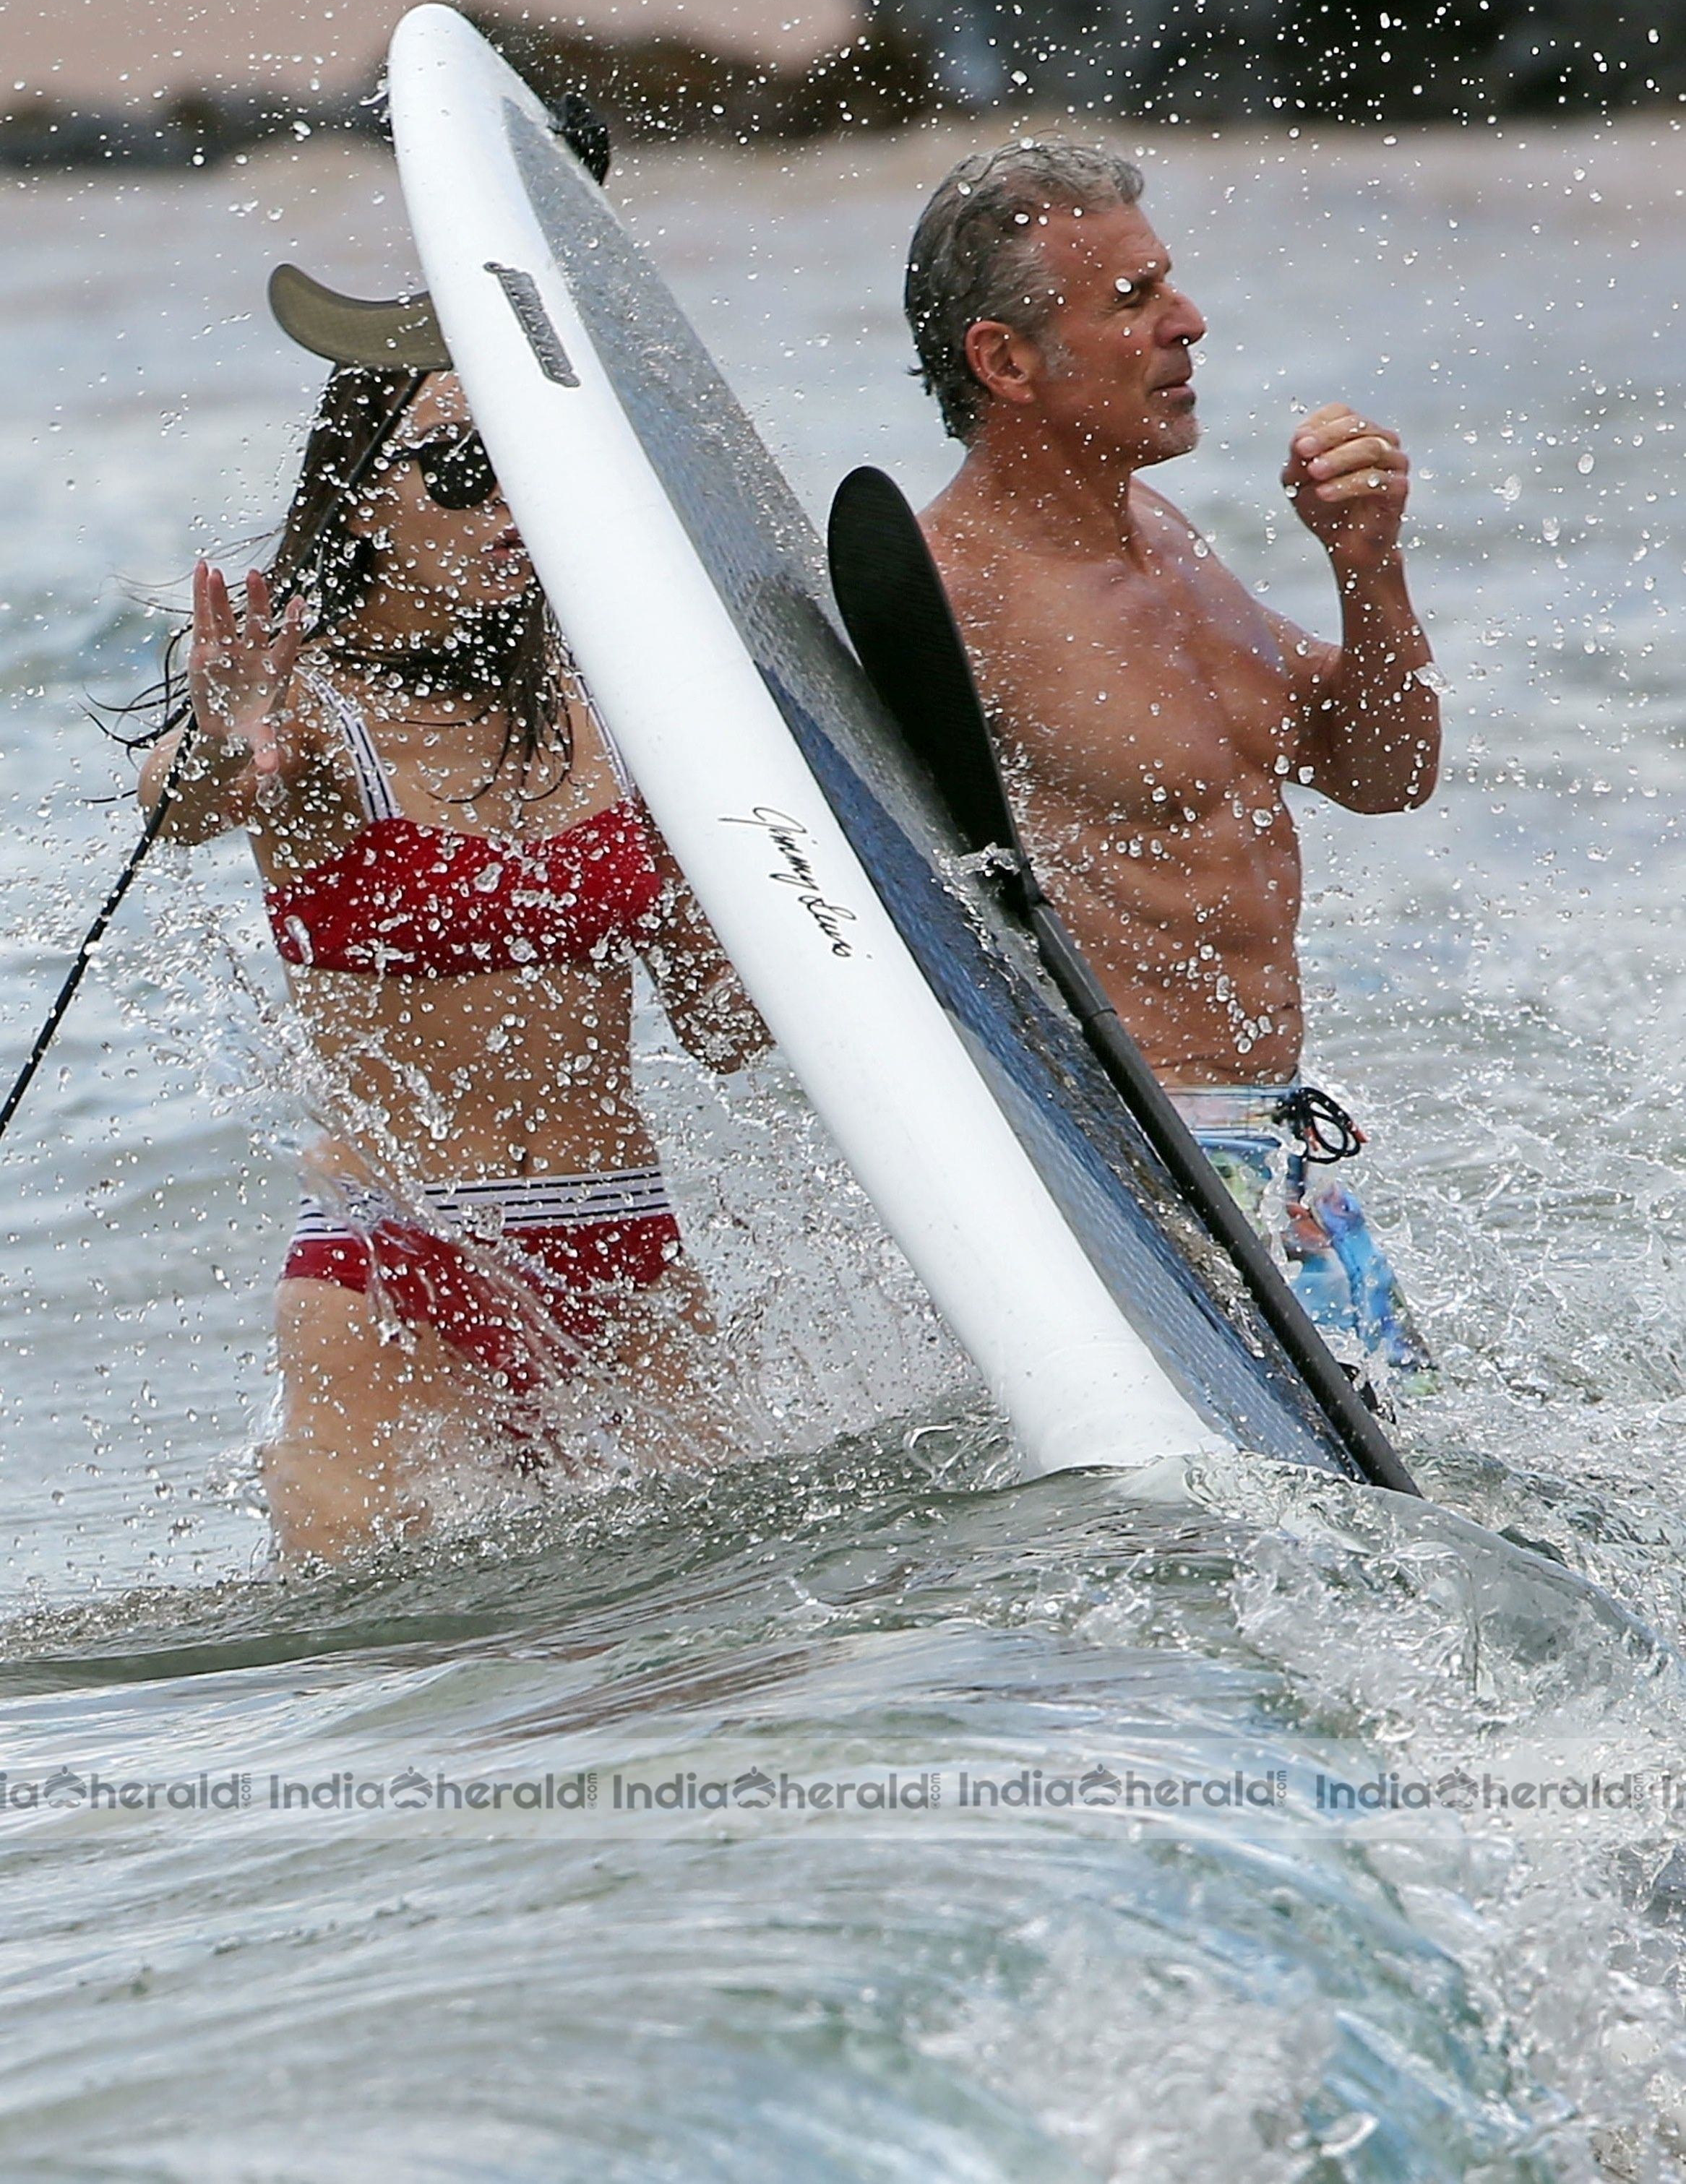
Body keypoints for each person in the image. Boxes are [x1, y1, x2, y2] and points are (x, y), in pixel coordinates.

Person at [134, 272, 765, 1563]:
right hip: (399, 1273)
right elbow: (185, 806)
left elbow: (726, 1026)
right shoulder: (309, 720)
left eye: (522, 466)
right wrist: (220, 738)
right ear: (361, 494)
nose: (504, 506)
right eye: (458, 469)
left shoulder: (618, 708)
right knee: (411, 1697)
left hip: (628, 1257)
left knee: (730, 1655)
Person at [905, 139, 1440, 1387]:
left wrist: (1367, 565)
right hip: (1146, 1166)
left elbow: (1379, 772)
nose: (1186, 323)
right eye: (1132, 300)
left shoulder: (1159, 536)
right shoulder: (945, 594)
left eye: (1170, 285)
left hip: (1277, 1153)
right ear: (1005, 361)